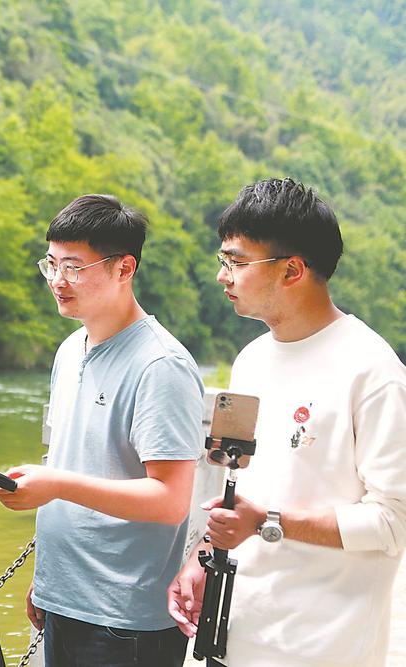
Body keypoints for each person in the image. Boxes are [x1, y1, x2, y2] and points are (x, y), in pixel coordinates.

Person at [167, 177, 406, 667]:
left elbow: (393, 522)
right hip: (228, 626)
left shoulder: (373, 371)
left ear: (293, 269)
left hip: (317, 644)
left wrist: (269, 524)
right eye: (223, 260)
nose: (223, 276)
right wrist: (204, 552)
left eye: (236, 261)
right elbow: (240, 479)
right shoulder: (251, 359)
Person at [0, 194, 204, 667]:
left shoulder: (160, 366)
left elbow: (169, 500)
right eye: (52, 264)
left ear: (124, 268)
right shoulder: (70, 349)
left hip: (124, 619)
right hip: (63, 599)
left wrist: (56, 486)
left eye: (74, 267)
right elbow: (74, 462)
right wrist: (46, 580)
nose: (58, 282)